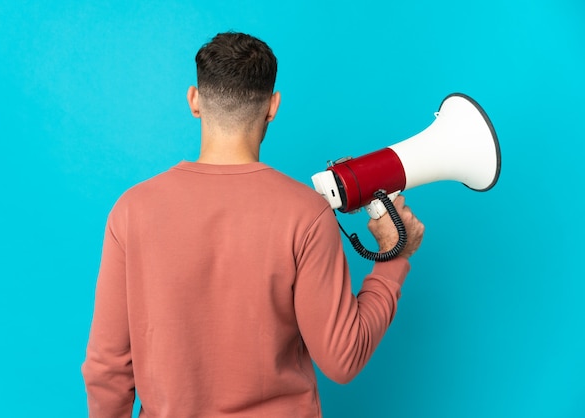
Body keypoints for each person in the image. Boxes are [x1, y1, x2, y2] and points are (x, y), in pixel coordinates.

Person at [81, 31, 424, 418]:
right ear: (272, 106)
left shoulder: (132, 209)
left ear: (194, 100)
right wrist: (394, 259)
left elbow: (107, 367)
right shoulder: (305, 214)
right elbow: (342, 359)